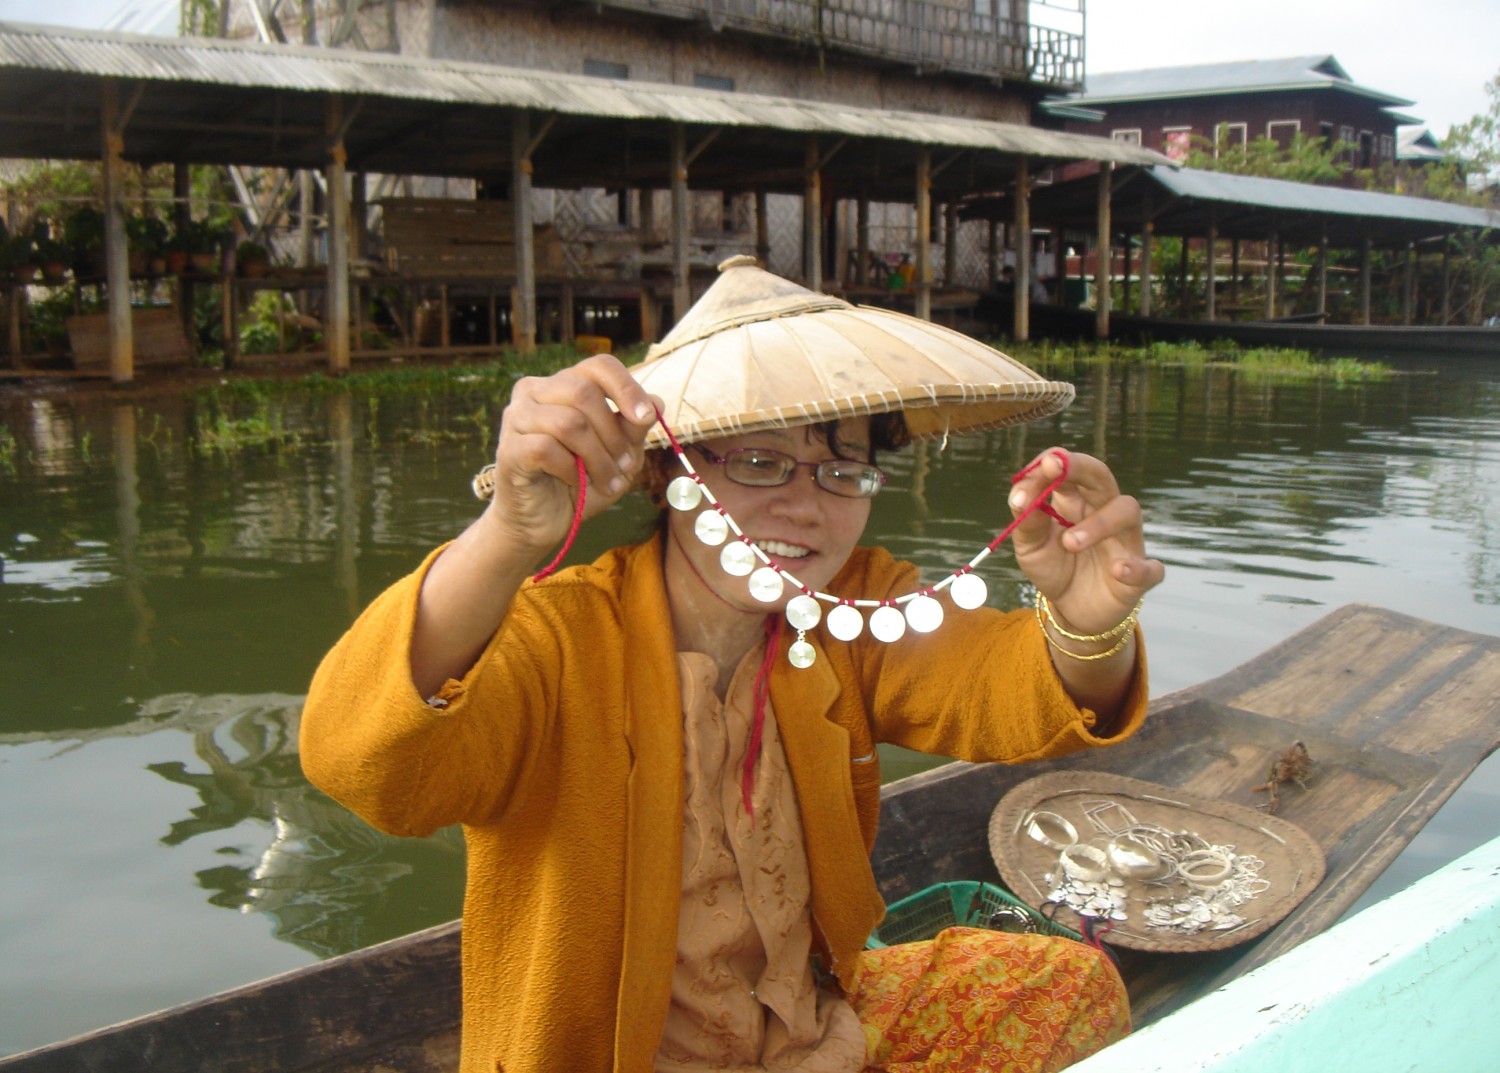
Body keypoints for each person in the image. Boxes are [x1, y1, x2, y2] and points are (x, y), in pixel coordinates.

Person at [301, 257, 1164, 1073]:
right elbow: (362, 765)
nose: (805, 506)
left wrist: (1087, 625)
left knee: (1069, 987)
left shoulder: (851, 609)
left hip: (805, 1033)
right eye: (758, 461)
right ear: (673, 472)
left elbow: (1007, 691)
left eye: (842, 471)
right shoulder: (559, 638)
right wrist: (507, 537)